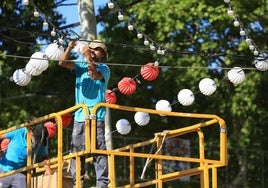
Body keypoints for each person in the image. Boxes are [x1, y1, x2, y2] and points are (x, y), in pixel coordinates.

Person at [59, 40, 110, 188]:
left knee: (98, 150)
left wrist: (87, 55)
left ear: (103, 54)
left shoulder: (105, 68)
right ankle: (78, 183)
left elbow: (94, 75)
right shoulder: (81, 64)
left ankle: (102, 184)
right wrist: (69, 47)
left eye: (97, 49)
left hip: (95, 116)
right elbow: (62, 63)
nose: (93, 51)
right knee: (77, 151)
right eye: (91, 49)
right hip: (80, 115)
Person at [0, 122, 56, 188]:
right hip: (4, 170)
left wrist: (48, 169)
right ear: (31, 133)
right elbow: (1, 135)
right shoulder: (19, 131)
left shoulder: (41, 141)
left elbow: (44, 156)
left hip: (21, 172)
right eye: (36, 140)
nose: (37, 143)